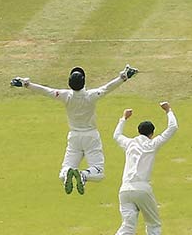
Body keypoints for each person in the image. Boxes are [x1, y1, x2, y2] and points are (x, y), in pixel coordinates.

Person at [10, 64, 137, 194]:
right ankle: (83, 175)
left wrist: (27, 84)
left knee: (64, 170)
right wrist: (123, 77)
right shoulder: (91, 95)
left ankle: (67, 176)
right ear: (84, 82)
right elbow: (107, 88)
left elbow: (47, 91)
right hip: (91, 137)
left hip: (74, 137)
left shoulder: (66, 96)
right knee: (98, 172)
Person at [100, 102, 177, 235]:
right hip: (142, 189)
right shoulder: (152, 143)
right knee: (154, 224)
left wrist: (123, 118)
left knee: (128, 227)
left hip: (125, 190)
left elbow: (116, 135)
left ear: (139, 132)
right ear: (151, 134)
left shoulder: (129, 143)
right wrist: (168, 110)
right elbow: (172, 128)